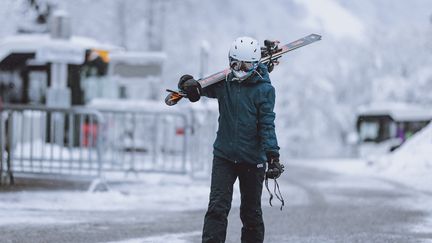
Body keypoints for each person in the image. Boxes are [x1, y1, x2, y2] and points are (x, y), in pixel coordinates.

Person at [178, 36, 284, 243]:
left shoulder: (264, 90)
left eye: (246, 65)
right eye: (235, 63)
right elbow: (199, 88)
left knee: (251, 213)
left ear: (255, 64)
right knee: (217, 209)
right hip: (224, 157)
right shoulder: (224, 83)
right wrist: (186, 83)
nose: (240, 69)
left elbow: (267, 125)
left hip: (253, 160)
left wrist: (273, 157)